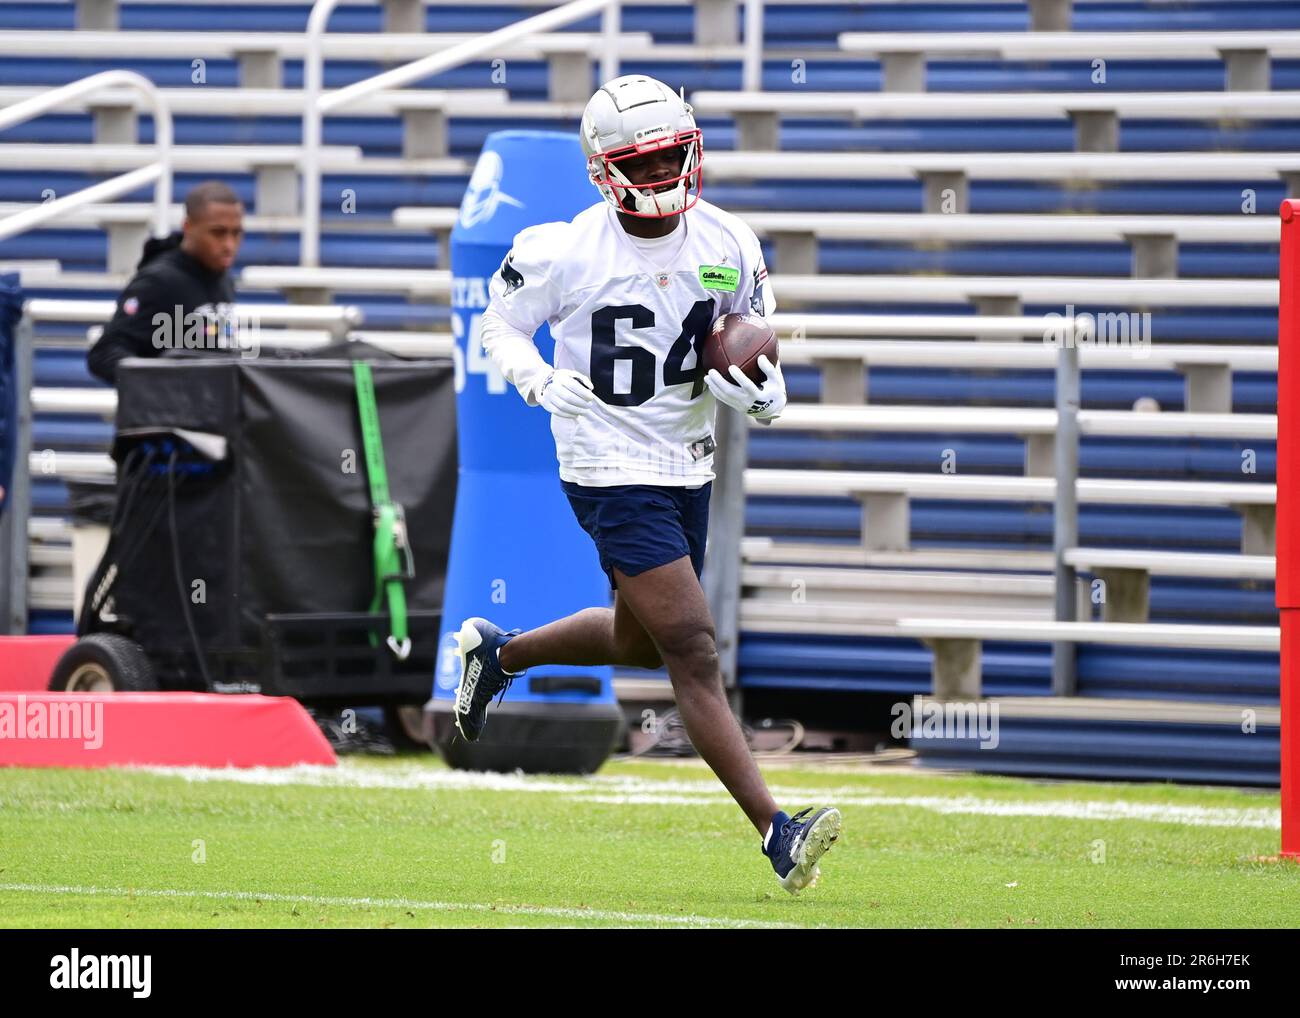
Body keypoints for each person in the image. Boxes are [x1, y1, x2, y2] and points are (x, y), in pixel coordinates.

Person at [455, 74, 841, 894]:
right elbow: (499, 324)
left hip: (685, 460)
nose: (665, 172)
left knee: (637, 640)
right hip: (605, 464)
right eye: (645, 159)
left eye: (673, 154)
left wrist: (768, 387)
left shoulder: (729, 240)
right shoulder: (563, 249)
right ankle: (778, 831)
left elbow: (753, 333)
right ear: (603, 169)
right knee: (693, 651)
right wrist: (532, 377)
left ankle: (500, 654)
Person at [87, 181, 244, 384]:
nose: (229, 245)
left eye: (236, 233)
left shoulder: (223, 278)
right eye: (218, 233)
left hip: (211, 412)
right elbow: (104, 354)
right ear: (188, 227)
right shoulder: (159, 281)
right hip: (171, 414)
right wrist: (162, 389)